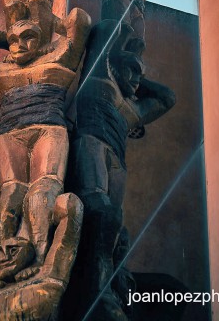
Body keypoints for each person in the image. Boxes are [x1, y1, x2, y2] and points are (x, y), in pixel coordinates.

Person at [0, 7, 91, 286]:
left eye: (28, 37)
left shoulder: (58, 58)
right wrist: (6, 35)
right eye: (14, 40)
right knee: (11, 194)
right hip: (10, 133)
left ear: (42, 39)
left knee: (43, 188)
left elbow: (80, 21)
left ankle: (40, 259)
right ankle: (3, 265)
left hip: (48, 129)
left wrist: (46, 22)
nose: (20, 45)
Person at [66, 23, 175, 320]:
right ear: (114, 65)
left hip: (117, 160)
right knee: (101, 212)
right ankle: (96, 290)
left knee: (115, 227)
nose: (137, 81)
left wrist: (136, 74)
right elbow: (108, 31)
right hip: (91, 144)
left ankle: (111, 285)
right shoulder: (100, 81)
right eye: (133, 72)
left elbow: (168, 98)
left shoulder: (130, 111)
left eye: (140, 75)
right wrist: (120, 62)